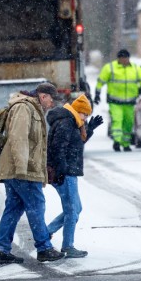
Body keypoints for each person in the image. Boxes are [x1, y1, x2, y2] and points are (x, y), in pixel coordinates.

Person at [0, 82, 66, 264]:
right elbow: (19, 139)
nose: (52, 104)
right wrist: (21, 168)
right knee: (36, 206)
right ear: (43, 96)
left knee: (14, 208)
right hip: (22, 171)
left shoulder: (32, 109)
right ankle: (44, 248)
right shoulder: (25, 109)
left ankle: (1, 250)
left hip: (20, 169)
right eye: (51, 100)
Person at [46, 94, 103, 258]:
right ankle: (68, 246)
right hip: (65, 173)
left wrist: (89, 129)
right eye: (85, 114)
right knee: (72, 210)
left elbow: (75, 144)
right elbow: (58, 148)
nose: (85, 118)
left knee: (76, 208)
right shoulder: (66, 123)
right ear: (78, 111)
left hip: (68, 171)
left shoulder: (71, 122)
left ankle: (47, 232)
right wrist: (62, 170)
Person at [94, 49, 141, 152]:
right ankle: (117, 142)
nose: (124, 60)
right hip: (115, 102)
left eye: (126, 58)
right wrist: (97, 94)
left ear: (128, 58)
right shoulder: (110, 68)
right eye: (122, 58)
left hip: (130, 102)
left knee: (128, 123)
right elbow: (101, 81)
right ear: (118, 58)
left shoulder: (135, 69)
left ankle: (126, 144)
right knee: (117, 120)